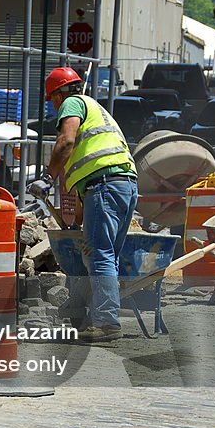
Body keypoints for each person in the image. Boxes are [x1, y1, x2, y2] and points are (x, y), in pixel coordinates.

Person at [38, 66, 138, 343]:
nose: (55, 106)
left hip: (105, 186)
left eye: (53, 99)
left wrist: (48, 177)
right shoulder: (97, 111)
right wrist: (78, 222)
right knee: (107, 256)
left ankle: (106, 323)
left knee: (100, 254)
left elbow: (66, 141)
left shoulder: (73, 102)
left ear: (59, 94)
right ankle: (98, 314)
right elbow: (87, 179)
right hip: (123, 186)